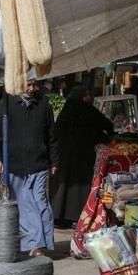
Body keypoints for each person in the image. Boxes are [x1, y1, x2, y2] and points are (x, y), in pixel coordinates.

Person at [0, 72, 59, 257]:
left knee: (41, 204)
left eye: (34, 84)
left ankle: (40, 243)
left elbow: (51, 135)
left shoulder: (43, 104)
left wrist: (54, 160)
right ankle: (35, 245)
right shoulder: (3, 106)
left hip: (39, 162)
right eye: (28, 85)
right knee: (26, 204)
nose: (32, 88)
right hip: (14, 164)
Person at [49, 86, 114, 228]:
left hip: (63, 152)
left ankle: (58, 216)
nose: (89, 98)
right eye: (87, 96)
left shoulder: (65, 111)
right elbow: (108, 125)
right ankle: (76, 216)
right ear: (82, 97)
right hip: (83, 152)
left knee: (64, 182)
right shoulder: (87, 109)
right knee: (80, 183)